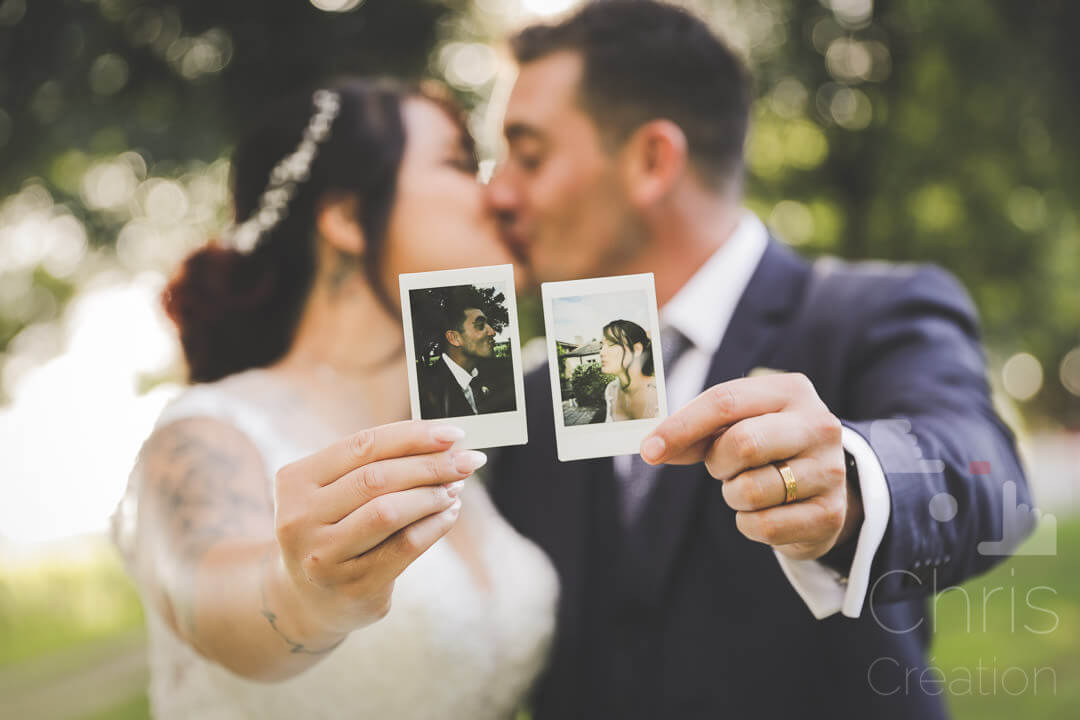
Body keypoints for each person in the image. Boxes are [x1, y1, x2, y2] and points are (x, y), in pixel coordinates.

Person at [484, 2, 1031, 719]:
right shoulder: (535, 388)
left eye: (529, 156)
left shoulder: (869, 313)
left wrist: (855, 483)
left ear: (652, 161)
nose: (496, 192)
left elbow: (983, 466)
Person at [109, 79, 558, 719]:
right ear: (347, 217)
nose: (501, 194)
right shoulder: (203, 434)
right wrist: (304, 595)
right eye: (461, 164)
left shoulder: (477, 433)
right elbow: (211, 596)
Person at [418, 286, 506, 418]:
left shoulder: (494, 377)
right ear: (454, 338)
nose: (492, 332)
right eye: (480, 326)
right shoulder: (426, 394)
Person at [598, 319, 658, 422]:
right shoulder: (611, 391)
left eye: (611, 343)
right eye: (601, 346)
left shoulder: (660, 391)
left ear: (637, 349)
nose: (601, 352)